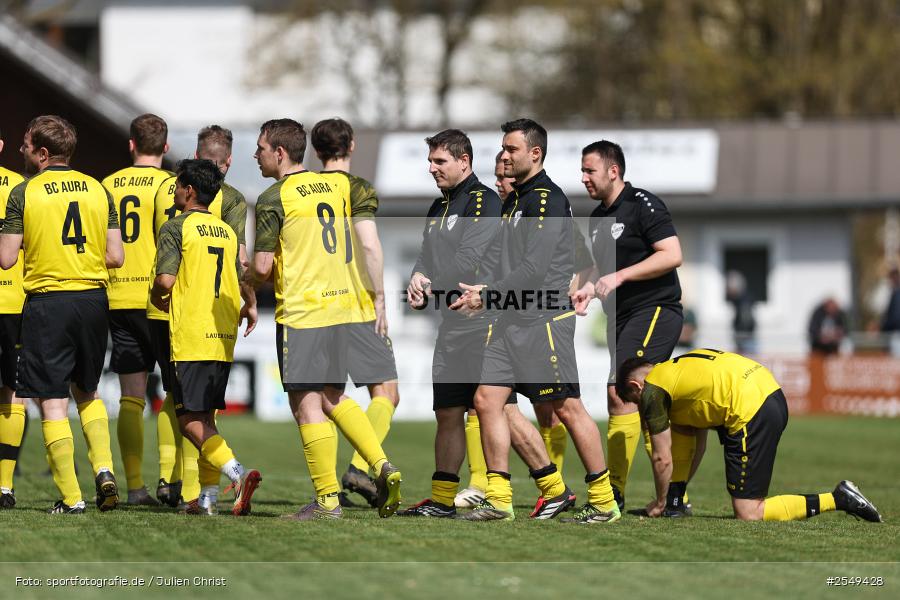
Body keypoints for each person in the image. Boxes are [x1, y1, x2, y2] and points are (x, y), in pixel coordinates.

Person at [452, 119, 619, 523]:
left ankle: (604, 500)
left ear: (535, 153)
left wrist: (487, 295)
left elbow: (534, 268)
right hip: (510, 319)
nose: (504, 156)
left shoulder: (547, 200)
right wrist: (482, 292)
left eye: (511, 149)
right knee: (486, 400)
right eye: (503, 149)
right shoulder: (516, 200)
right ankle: (500, 499)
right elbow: (509, 266)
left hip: (543, 320)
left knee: (567, 408)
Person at [245, 118, 401, 520]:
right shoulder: (338, 187)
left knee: (306, 404)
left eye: (261, 148)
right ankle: (381, 463)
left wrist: (244, 278)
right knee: (333, 395)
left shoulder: (274, 197)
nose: (256, 155)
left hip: (303, 313)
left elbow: (262, 267)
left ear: (280, 153)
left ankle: (327, 500)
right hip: (343, 310)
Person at [0, 115, 124, 514]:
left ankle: (72, 499)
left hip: (48, 302)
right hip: (93, 300)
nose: (21, 149)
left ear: (42, 153)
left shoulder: (24, 192)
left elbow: (6, 258)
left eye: (25, 144)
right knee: (88, 392)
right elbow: (116, 256)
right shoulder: (99, 189)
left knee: (52, 402)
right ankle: (104, 469)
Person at [615, 350, 882, 522]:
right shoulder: (676, 370)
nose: (641, 407)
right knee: (683, 426)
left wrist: (660, 502)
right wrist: (673, 498)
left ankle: (839, 498)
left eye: (635, 401)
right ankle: (676, 503)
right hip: (770, 392)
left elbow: (662, 458)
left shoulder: (652, 390)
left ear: (636, 386)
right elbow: (696, 443)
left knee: (749, 511)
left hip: (751, 409)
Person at [453, 152, 570, 512]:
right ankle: (516, 491)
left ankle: (600, 495)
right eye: (496, 176)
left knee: (559, 408)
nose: (499, 183)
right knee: (493, 404)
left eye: (504, 176)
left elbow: (558, 264)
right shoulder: (507, 213)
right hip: (504, 319)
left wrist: (582, 289)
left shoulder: (540, 207)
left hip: (536, 322)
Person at [572, 140, 684, 511]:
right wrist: (589, 287)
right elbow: (603, 269)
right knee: (635, 399)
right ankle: (666, 496)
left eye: (590, 170)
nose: (584, 177)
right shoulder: (597, 218)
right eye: (582, 170)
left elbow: (672, 254)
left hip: (654, 310)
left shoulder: (643, 205)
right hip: (619, 316)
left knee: (625, 392)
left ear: (613, 171)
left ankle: (622, 495)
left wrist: (619, 277)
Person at [149, 158, 260, 516]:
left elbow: (165, 280)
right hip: (222, 335)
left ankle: (236, 472)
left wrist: (156, 295)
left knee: (189, 421)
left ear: (190, 190)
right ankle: (208, 498)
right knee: (207, 420)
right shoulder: (226, 232)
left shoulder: (176, 227)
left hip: (192, 334)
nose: (174, 190)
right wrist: (250, 305)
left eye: (178, 184)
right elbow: (240, 276)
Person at [310, 118, 400, 508]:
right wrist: (380, 297)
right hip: (357, 304)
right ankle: (360, 468)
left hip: (317, 306)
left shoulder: (303, 191)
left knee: (329, 396)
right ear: (352, 146)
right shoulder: (358, 188)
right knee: (387, 392)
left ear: (316, 151)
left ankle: (330, 489)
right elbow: (369, 246)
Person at [101, 114, 173, 506]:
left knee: (131, 397)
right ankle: (168, 478)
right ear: (165, 147)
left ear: (131, 144)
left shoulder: (108, 184)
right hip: (159, 300)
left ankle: (135, 487)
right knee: (176, 393)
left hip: (118, 298)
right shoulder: (172, 186)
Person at [0, 127, 27, 508]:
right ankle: (4, 485)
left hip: (16, 302)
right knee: (13, 392)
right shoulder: (21, 187)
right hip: (15, 300)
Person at [726, 270, 757, 354]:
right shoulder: (739, 300)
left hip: (745, 337)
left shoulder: (744, 301)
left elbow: (746, 320)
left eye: (729, 288)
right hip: (744, 336)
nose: (728, 291)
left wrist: (741, 336)